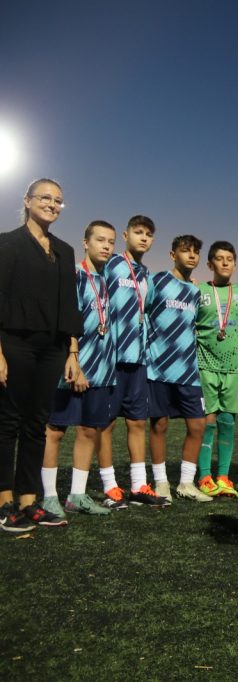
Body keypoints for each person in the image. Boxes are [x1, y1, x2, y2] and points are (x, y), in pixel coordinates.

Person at [0, 179, 83, 532]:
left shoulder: (65, 250)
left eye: (58, 200)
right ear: (27, 201)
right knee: (8, 423)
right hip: (14, 342)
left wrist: (72, 351)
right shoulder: (7, 243)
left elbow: (69, 303)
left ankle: (28, 501)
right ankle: (4, 503)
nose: (52, 204)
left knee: (37, 424)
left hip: (53, 348)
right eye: (45, 198)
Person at [40, 220, 119, 519]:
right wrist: (74, 363)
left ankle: (77, 495)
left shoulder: (106, 279)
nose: (106, 246)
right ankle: (48, 497)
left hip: (102, 369)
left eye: (110, 242)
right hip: (71, 367)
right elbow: (63, 320)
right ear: (85, 243)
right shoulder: (73, 275)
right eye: (100, 240)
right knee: (55, 431)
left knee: (88, 430)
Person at [99, 215, 167, 506]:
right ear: (126, 235)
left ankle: (139, 486)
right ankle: (109, 486)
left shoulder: (145, 273)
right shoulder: (111, 263)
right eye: (138, 232)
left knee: (137, 422)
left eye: (148, 234)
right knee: (106, 424)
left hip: (138, 358)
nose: (143, 238)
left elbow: (148, 310)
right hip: (111, 356)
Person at [146, 235, 209, 502]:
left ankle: (186, 483)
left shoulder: (196, 292)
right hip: (158, 367)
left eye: (195, 252)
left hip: (187, 370)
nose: (191, 256)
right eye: (185, 251)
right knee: (159, 424)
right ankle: (161, 482)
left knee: (197, 425)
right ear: (173, 255)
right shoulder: (157, 281)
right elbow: (143, 312)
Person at [195, 241, 238, 499]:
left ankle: (224, 477)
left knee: (228, 422)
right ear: (210, 264)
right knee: (208, 422)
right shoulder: (199, 291)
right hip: (206, 364)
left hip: (235, 366)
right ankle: (205, 476)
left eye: (229, 259)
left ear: (235, 264)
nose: (225, 263)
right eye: (219, 258)